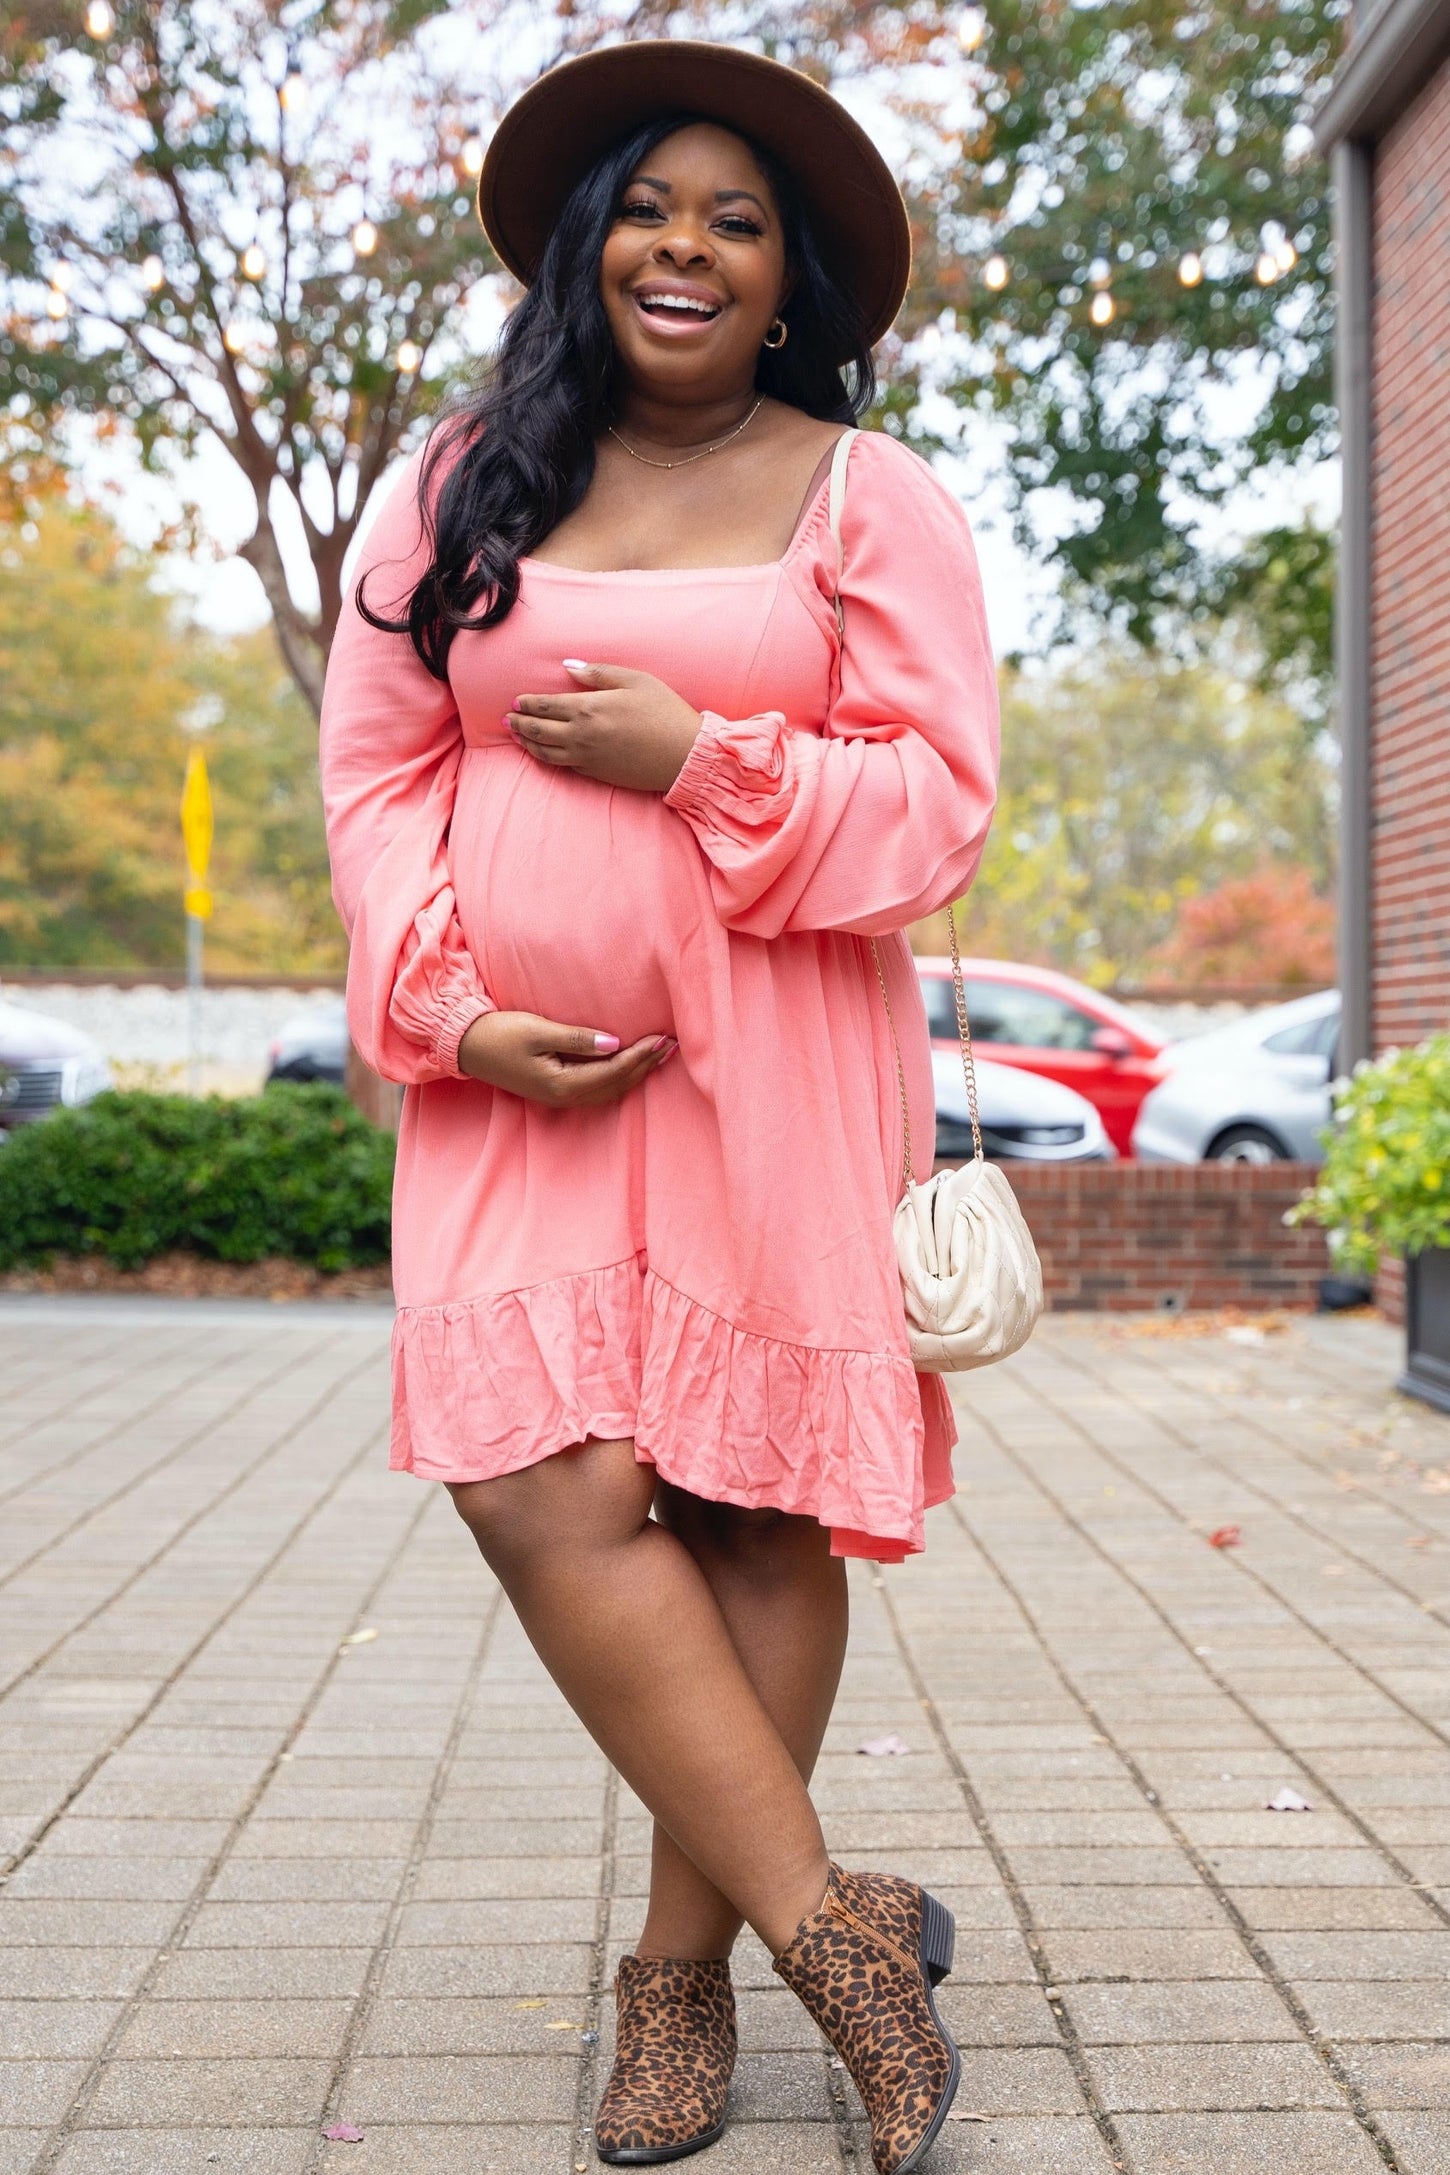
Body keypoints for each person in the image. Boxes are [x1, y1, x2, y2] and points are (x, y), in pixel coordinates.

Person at [320, 39, 998, 2175]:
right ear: (583, 242)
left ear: (787, 275)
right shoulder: (462, 481)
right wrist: (450, 1008)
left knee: (745, 1504)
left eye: (734, 218)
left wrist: (697, 757)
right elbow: (374, 770)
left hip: (774, 1060)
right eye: (646, 206)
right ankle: (839, 1936)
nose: (681, 246)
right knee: (538, 1486)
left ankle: (680, 1980)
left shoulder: (864, 497)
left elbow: (939, 803)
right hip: (511, 1088)